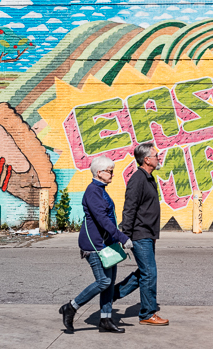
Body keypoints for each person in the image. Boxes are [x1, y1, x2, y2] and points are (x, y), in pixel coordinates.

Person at [59, 156, 133, 333]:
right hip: (93, 245)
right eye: (109, 171)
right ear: (99, 173)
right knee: (104, 281)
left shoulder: (101, 190)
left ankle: (105, 320)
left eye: (112, 171)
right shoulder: (93, 191)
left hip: (106, 244)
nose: (112, 175)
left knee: (109, 281)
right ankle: (71, 307)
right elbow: (103, 220)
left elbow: (109, 221)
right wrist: (122, 238)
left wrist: (115, 240)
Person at [113, 142, 169, 326]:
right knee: (150, 273)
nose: (158, 157)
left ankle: (110, 295)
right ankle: (147, 313)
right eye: (155, 155)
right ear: (146, 160)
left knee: (144, 273)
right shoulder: (138, 179)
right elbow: (129, 208)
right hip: (139, 234)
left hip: (148, 234)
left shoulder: (148, 178)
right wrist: (126, 235)